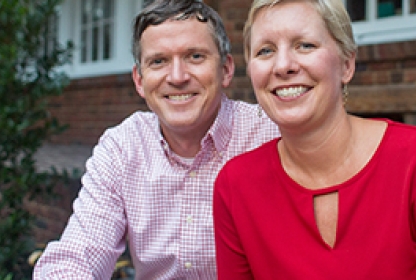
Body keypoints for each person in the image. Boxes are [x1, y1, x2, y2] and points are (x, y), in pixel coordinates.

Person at [213, 0, 416, 279]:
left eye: (305, 45)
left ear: (347, 65)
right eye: (265, 51)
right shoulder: (235, 186)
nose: (283, 65)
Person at [33, 0, 279, 278]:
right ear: (139, 80)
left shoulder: (270, 134)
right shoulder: (122, 149)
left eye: (195, 56)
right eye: (158, 61)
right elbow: (77, 256)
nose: (177, 77)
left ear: (226, 69)